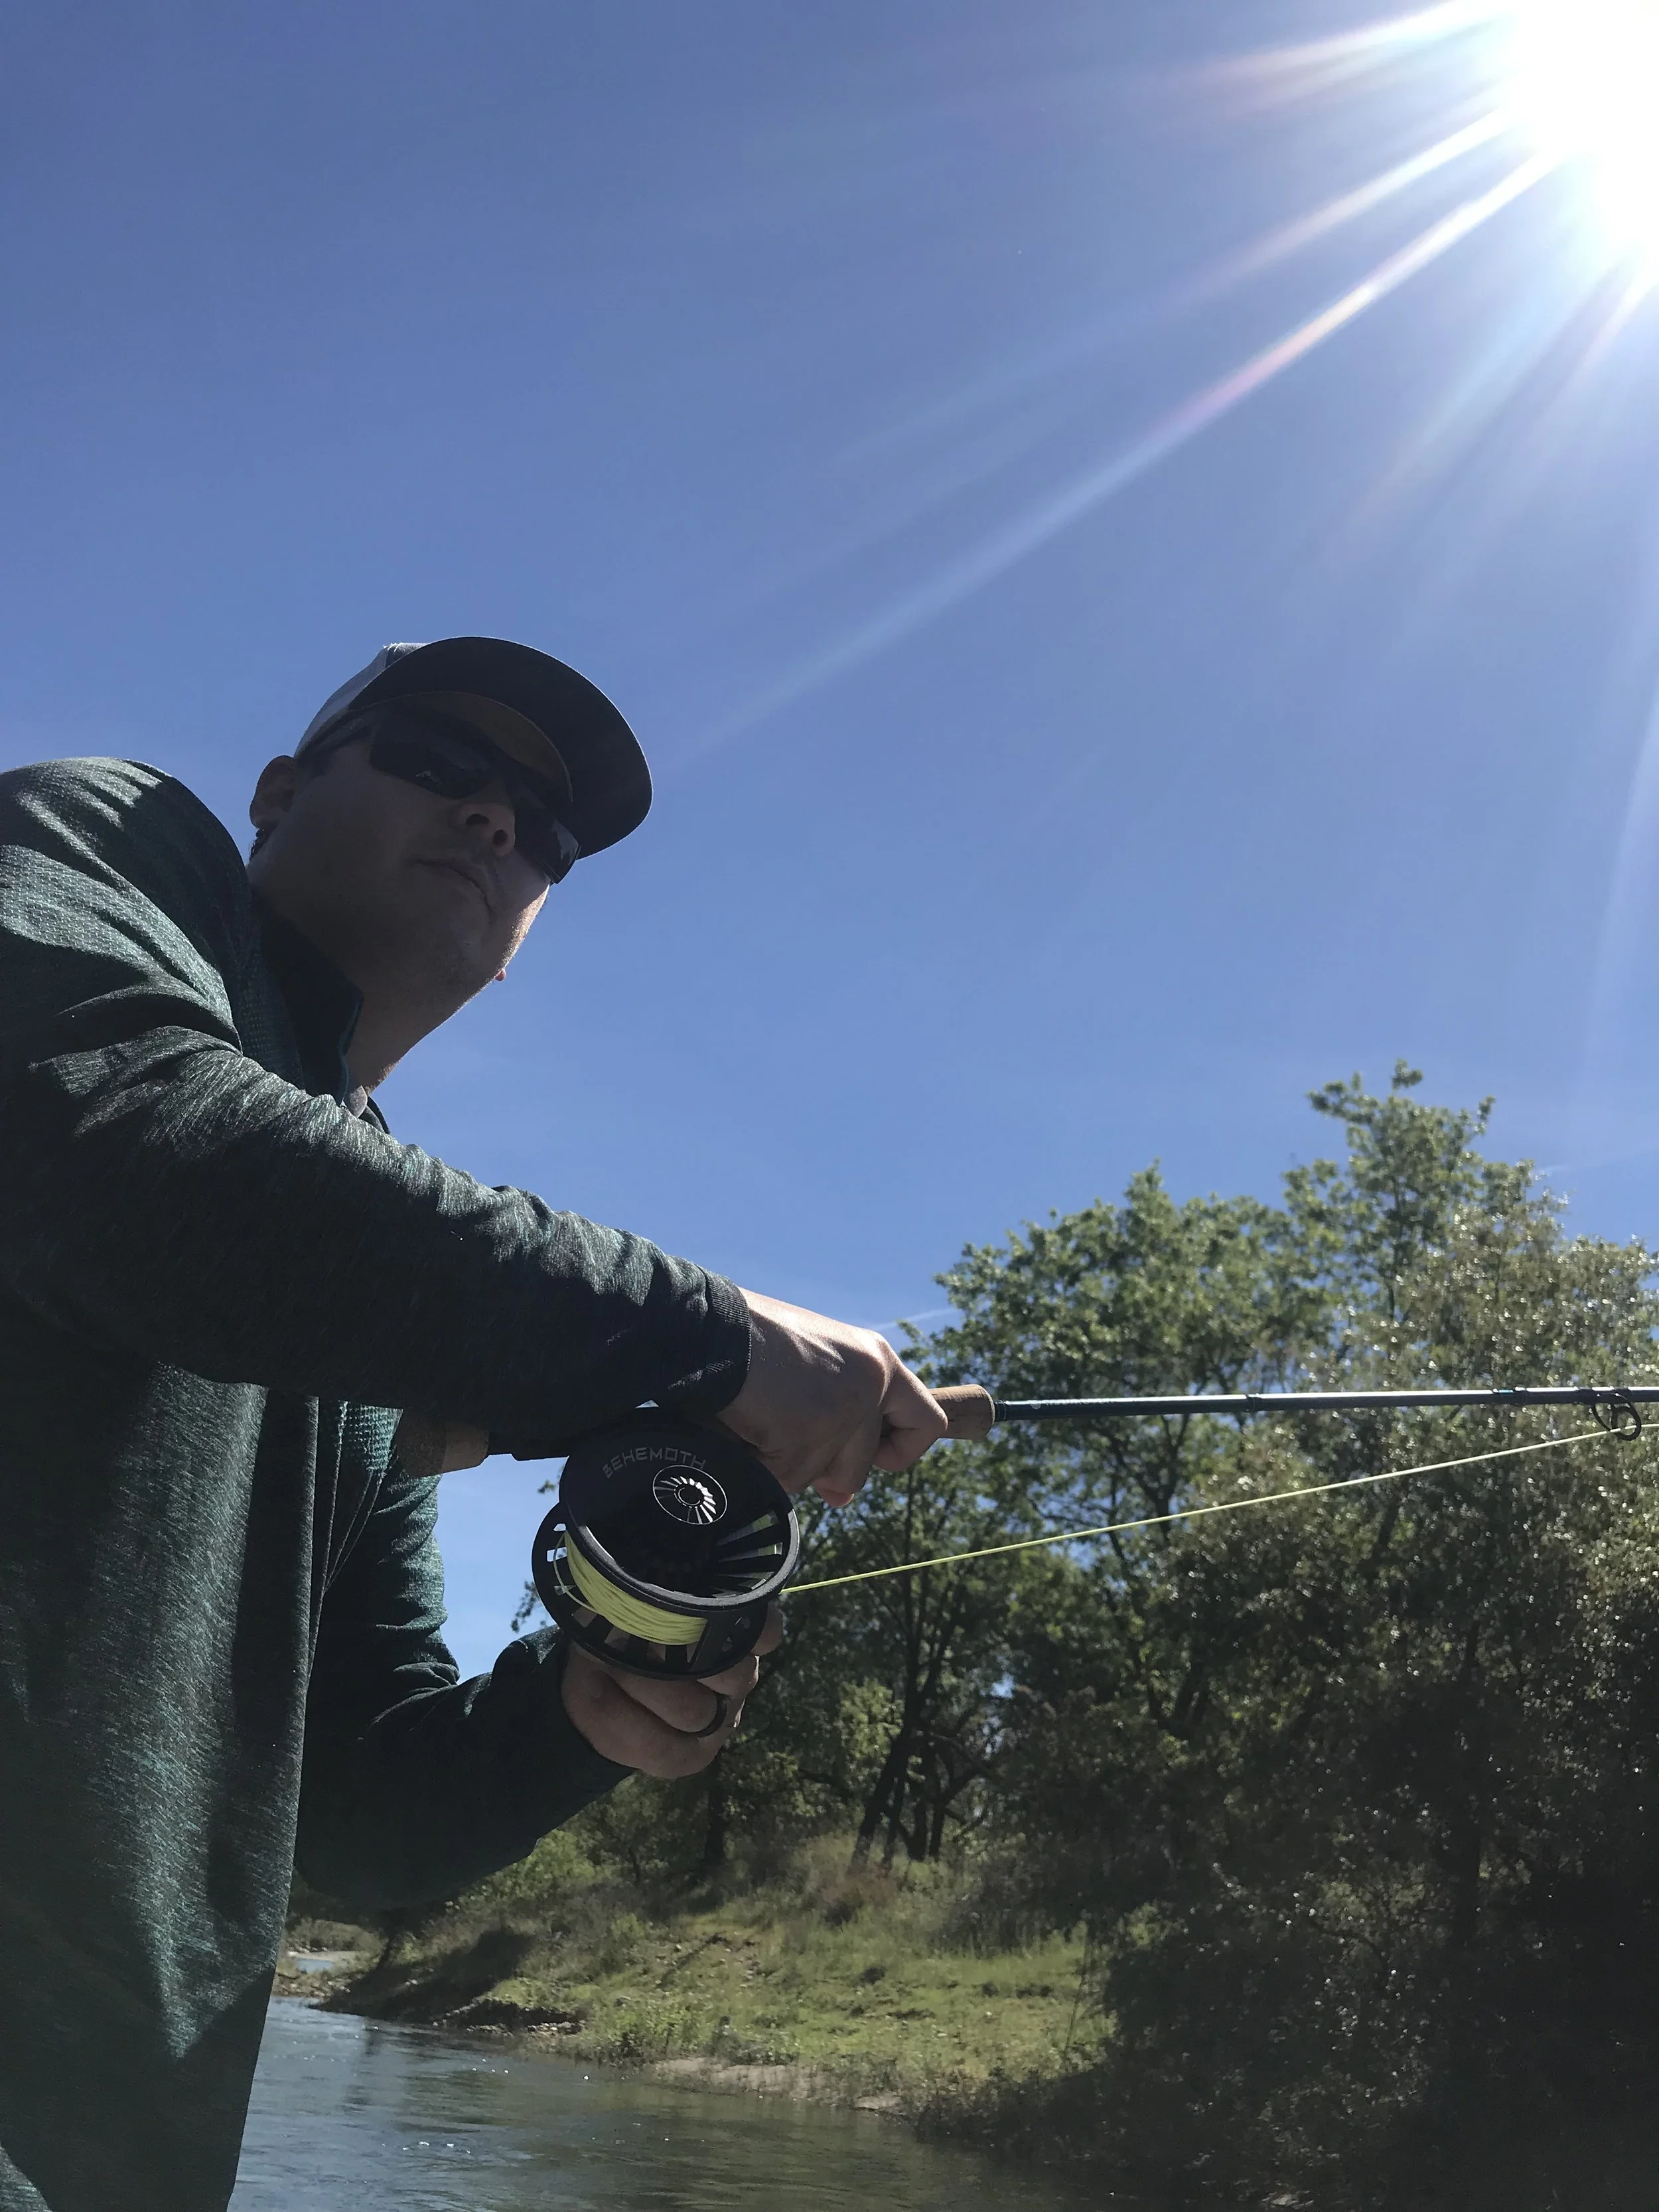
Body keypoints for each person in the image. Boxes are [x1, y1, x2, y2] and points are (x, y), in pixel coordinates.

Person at [0, 636, 946, 2212]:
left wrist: (582, 1710)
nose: (496, 819)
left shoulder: (379, 1315)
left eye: (545, 827)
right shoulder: (105, 840)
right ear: (281, 792)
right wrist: (714, 1336)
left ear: (527, 930)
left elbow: (364, 1822)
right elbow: (123, 1163)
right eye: (440, 758)